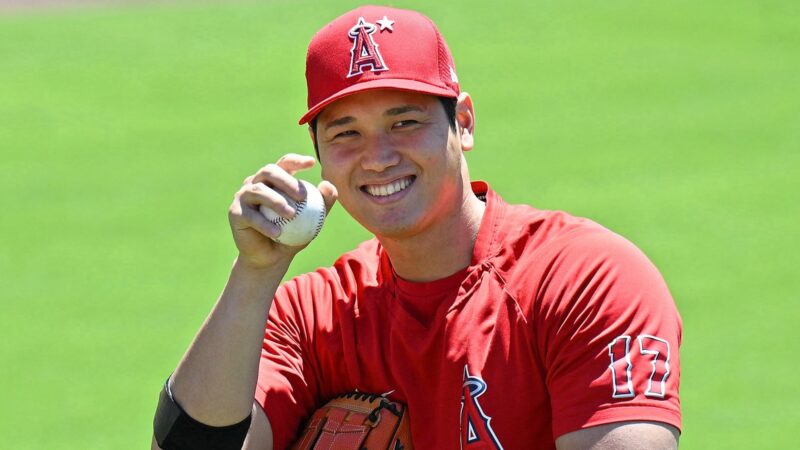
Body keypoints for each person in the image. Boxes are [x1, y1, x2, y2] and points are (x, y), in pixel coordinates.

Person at [151, 5, 682, 450]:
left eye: (405, 122)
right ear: (319, 157)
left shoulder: (584, 279)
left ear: (464, 123)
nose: (378, 157)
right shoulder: (312, 315)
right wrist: (253, 277)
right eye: (346, 133)